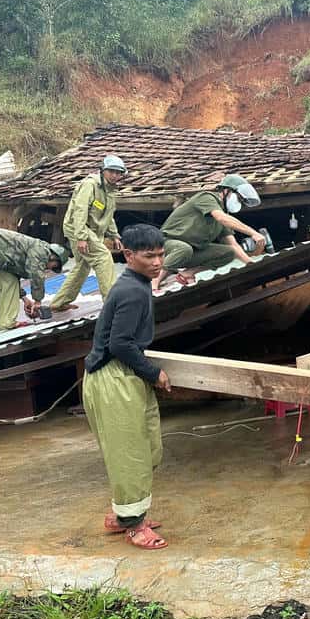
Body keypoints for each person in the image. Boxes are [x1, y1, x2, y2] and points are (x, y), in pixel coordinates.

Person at [82, 223, 172, 550]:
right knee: (130, 454)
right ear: (128, 254)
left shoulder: (138, 283)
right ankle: (133, 525)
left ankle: (125, 514)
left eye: (161, 255)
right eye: (149, 256)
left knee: (147, 447)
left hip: (126, 375)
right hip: (112, 376)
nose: (157, 262)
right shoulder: (132, 291)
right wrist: (154, 373)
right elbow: (120, 344)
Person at [152, 174, 265, 292]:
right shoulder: (207, 197)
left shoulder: (223, 216)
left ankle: (188, 273)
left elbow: (233, 245)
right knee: (183, 249)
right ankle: (153, 283)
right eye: (239, 198)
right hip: (166, 245)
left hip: (189, 252)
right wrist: (253, 233)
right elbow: (221, 217)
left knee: (228, 252)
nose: (239, 203)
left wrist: (251, 264)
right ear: (226, 191)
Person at [51, 155, 127, 312]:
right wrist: (81, 237)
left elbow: (108, 215)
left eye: (118, 172)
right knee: (103, 257)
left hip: (92, 231)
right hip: (79, 228)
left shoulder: (110, 190)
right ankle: (112, 302)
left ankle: (59, 303)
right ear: (103, 170)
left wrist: (114, 235)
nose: (115, 175)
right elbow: (80, 210)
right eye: (111, 171)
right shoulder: (90, 185)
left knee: (83, 266)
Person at [0, 228, 69, 339]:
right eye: (53, 267)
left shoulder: (33, 253)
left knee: (10, 281)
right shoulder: (41, 251)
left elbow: (14, 274)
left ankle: (7, 322)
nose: (49, 269)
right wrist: (37, 301)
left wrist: (25, 299)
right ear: (53, 258)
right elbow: (36, 275)